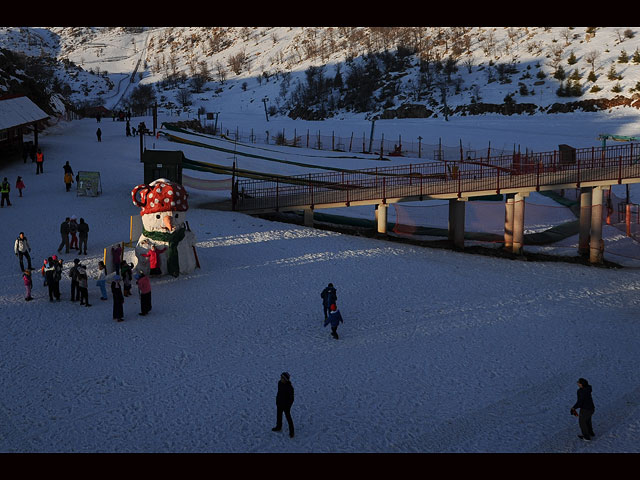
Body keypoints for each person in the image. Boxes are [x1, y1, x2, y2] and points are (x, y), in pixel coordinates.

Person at [272, 372, 295, 438]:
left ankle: (292, 431)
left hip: (286, 406)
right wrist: (277, 401)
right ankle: (278, 427)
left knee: (288, 418)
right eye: (281, 377)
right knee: (279, 416)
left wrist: (288, 406)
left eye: (282, 378)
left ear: (286, 379)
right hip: (279, 403)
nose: (281, 379)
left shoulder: (289, 388)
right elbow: (279, 393)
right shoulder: (280, 383)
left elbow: (291, 399)